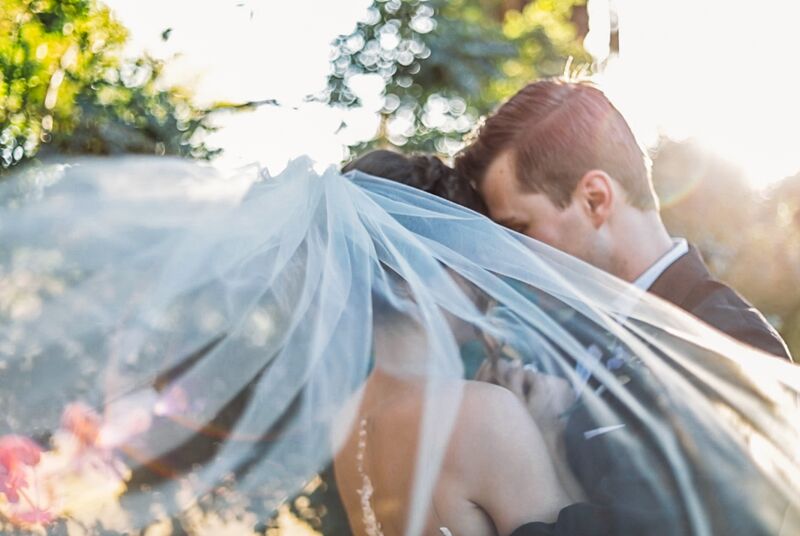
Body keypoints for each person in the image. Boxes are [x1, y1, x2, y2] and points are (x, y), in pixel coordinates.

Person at [1, 156, 798, 535]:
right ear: (426, 269)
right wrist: (553, 428)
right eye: (470, 257)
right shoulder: (485, 416)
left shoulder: (347, 418)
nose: (490, 281)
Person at [456, 78, 791, 361]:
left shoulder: (733, 343)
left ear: (595, 199)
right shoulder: (568, 339)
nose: (510, 254)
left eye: (519, 228)